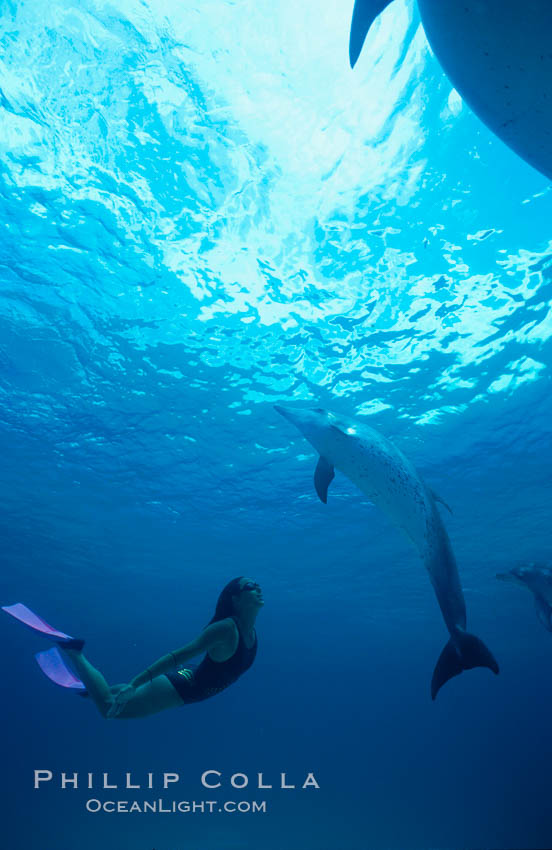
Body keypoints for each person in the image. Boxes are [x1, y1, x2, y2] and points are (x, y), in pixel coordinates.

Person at [3, 577, 262, 719]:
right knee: (109, 711)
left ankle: (91, 689)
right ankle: (75, 652)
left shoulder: (250, 632)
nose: (258, 588)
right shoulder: (226, 629)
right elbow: (177, 656)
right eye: (250, 586)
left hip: (190, 679)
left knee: (111, 697)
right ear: (235, 598)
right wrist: (135, 683)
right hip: (183, 687)